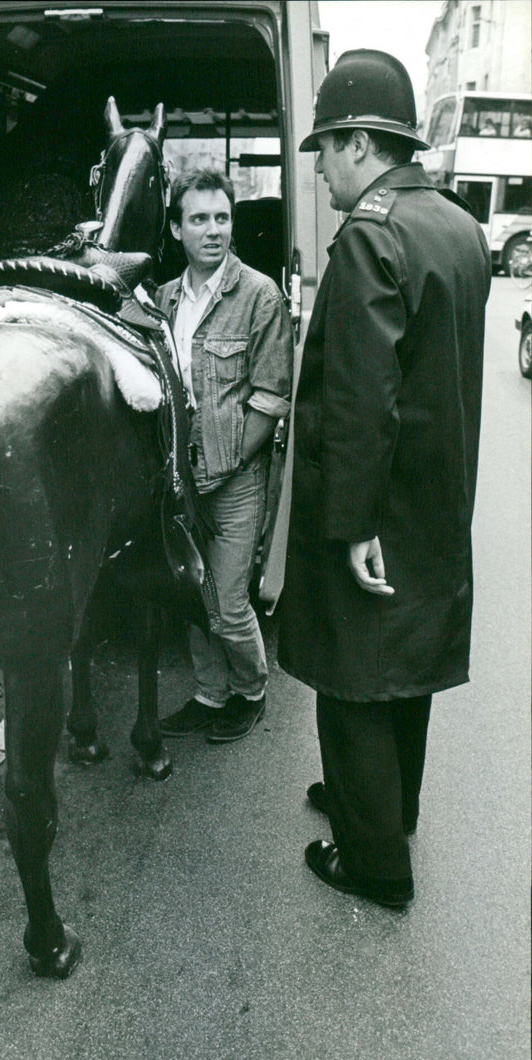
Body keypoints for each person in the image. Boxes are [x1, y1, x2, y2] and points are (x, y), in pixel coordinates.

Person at [278, 50, 491, 906]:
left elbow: (363, 396)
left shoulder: (372, 234)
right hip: (439, 493)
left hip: (376, 500)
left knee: (354, 672)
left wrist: (354, 519)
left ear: (361, 142)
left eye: (326, 147)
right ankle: (385, 806)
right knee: (408, 663)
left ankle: (373, 864)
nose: (321, 168)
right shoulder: (456, 225)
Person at [156, 168, 293, 744]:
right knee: (193, 595)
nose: (214, 231)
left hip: (233, 480)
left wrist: (222, 466)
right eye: (199, 219)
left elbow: (270, 399)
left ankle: (250, 691)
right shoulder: (163, 300)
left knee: (229, 604)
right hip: (178, 482)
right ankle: (210, 694)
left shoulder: (260, 295)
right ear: (175, 229)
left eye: (223, 218)